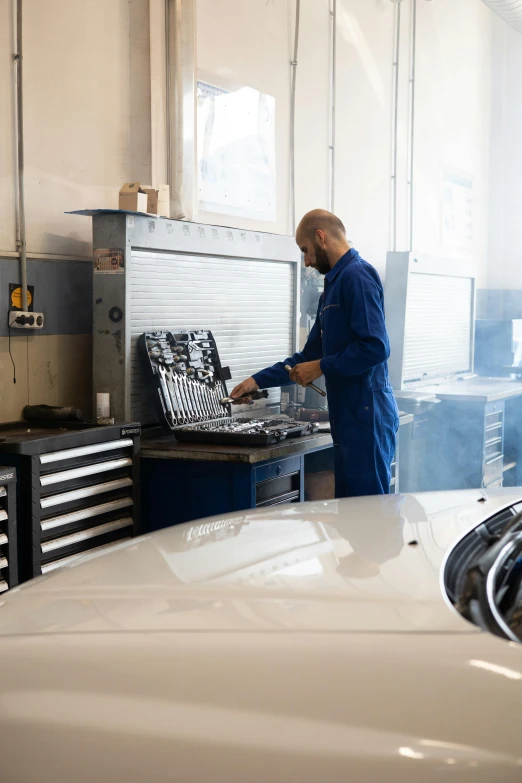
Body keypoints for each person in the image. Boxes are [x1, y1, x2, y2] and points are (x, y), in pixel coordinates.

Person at [231, 209, 399, 498]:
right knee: (351, 518)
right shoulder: (331, 289)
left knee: (369, 519)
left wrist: (321, 366)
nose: (306, 261)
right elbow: (306, 357)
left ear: (320, 237)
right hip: (349, 421)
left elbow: (376, 347)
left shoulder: (357, 276)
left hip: (367, 420)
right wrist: (255, 381)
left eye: (305, 250)